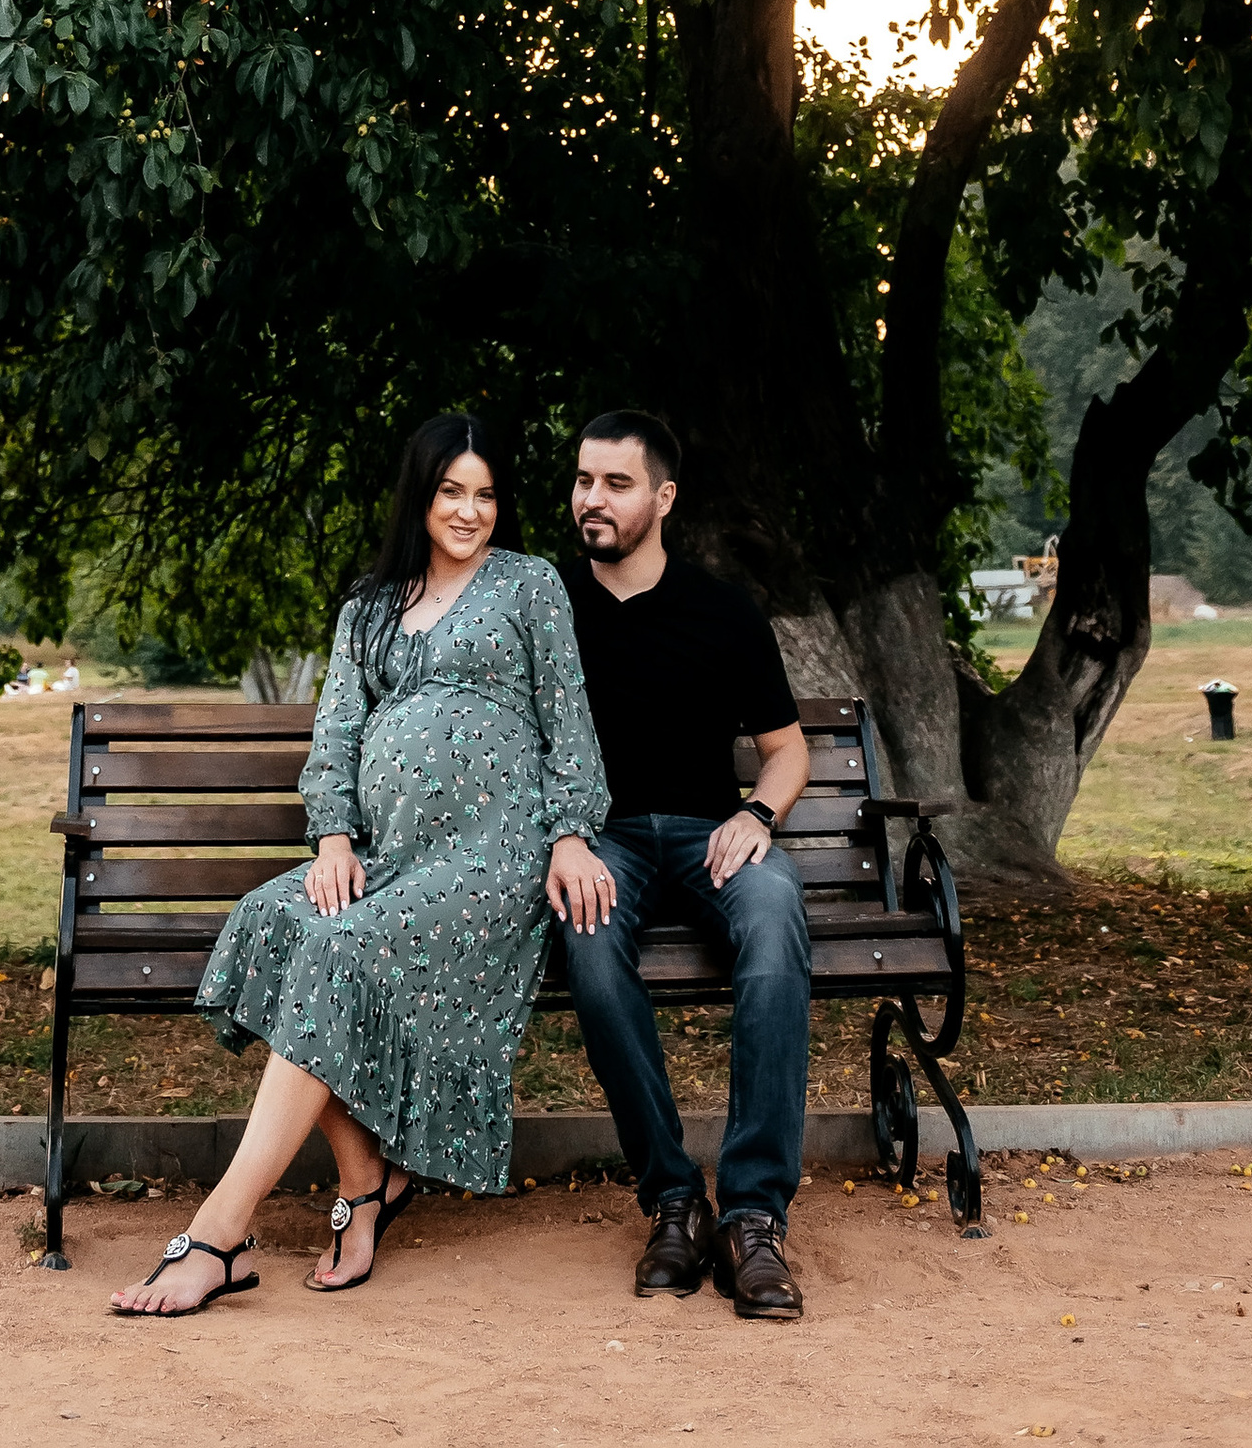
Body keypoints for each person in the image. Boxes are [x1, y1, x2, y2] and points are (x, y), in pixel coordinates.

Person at [109, 409, 611, 1317]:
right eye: (451, 491)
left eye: (486, 494)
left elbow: (569, 725)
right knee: (275, 921)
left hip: (491, 861)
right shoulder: (369, 608)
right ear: (420, 495)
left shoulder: (530, 585)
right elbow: (336, 733)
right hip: (387, 856)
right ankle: (365, 1180)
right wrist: (334, 836)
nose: (469, 511)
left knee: (336, 952)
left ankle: (219, 1233)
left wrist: (571, 832)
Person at [556, 410, 813, 1322]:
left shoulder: (723, 609)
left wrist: (756, 813)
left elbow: (787, 750)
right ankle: (673, 1201)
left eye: (616, 483)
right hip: (603, 839)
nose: (592, 498)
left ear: (663, 497)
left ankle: (751, 1217)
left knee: (774, 919)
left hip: (713, 833)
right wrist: (564, 838)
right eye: (584, 479)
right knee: (589, 945)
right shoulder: (548, 605)